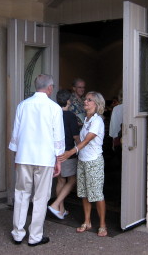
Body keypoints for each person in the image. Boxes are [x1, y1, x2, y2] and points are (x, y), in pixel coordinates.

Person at [9, 74, 65, 247]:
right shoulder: (54, 108)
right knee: (41, 197)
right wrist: (59, 159)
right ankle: (35, 236)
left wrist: (15, 156)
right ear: (49, 88)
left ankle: (18, 234)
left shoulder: (23, 105)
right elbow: (58, 136)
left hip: (24, 156)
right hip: (45, 158)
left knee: (21, 193)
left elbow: (16, 134)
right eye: (52, 87)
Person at [58, 91, 107, 237]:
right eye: (85, 99)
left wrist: (70, 152)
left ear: (96, 104)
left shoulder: (97, 121)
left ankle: (103, 224)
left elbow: (86, 141)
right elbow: (80, 139)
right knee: (84, 193)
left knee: (97, 194)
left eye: (89, 100)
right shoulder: (86, 119)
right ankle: (87, 221)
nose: (85, 101)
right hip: (83, 160)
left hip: (94, 161)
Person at [48, 89, 80, 219]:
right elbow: (75, 136)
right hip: (68, 152)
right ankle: (56, 205)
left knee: (61, 180)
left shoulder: (53, 114)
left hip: (56, 152)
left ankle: (61, 210)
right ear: (68, 101)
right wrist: (81, 146)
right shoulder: (71, 116)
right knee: (72, 180)